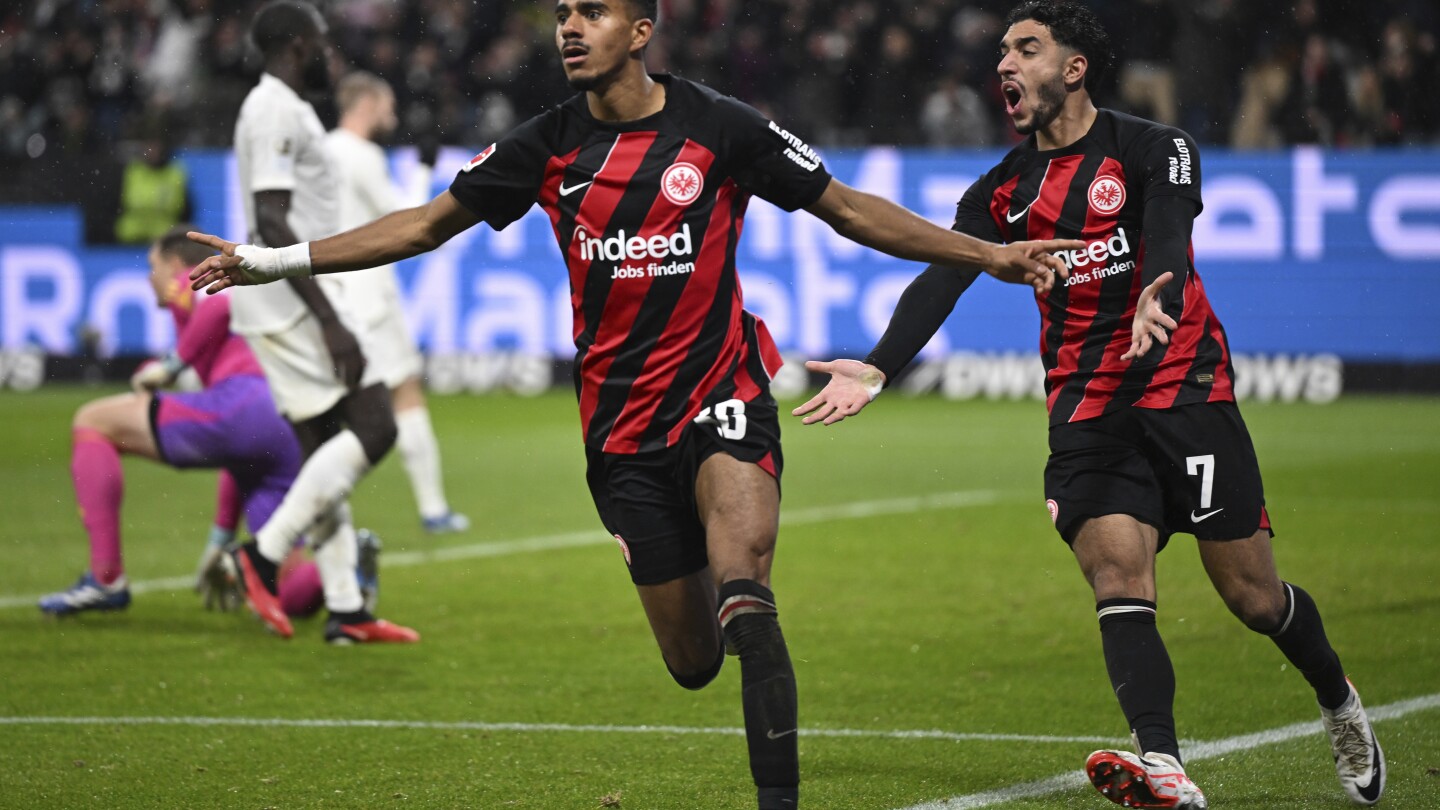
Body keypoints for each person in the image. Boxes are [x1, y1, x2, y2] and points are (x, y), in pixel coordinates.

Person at [187, 0, 1078, 805]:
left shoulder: (720, 125)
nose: (570, 28)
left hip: (722, 393)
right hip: (619, 432)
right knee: (693, 663)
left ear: (641, 32)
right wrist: (272, 259)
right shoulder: (546, 143)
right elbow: (422, 225)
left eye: (594, 12)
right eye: (565, 13)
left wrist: (986, 253)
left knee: (747, 592)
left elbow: (846, 209)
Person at [793, 3, 1385, 809]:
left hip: (1185, 388)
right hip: (1086, 406)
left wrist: (1156, 293)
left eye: (1026, 48)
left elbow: (1170, 233)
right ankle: (1166, 766)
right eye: (1001, 50)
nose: (1004, 63)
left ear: (1073, 68)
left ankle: (1338, 700)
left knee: (1253, 596)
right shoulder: (1001, 191)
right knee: (1117, 573)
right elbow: (943, 275)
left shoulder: (1154, 148)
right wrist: (878, 364)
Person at [224, 0, 416, 644]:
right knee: (376, 423)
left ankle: (345, 609)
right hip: (291, 303)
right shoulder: (273, 108)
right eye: (326, 44)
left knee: (325, 450)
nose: (333, 58)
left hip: (284, 300)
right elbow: (272, 220)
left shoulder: (286, 108)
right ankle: (264, 553)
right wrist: (331, 320)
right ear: (301, 44)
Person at [38, 226, 302, 617]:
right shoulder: (237, 316)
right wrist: (220, 538)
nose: (150, 277)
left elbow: (218, 304)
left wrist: (171, 364)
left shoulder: (195, 279)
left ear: (177, 264)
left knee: (92, 421)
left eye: (153, 265)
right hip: (280, 426)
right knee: (286, 580)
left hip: (243, 403)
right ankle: (348, 586)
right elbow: (238, 454)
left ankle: (106, 577)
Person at [323, 71, 469, 534]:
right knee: (403, 394)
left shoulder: (320, 150)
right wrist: (425, 168)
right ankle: (432, 509)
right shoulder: (362, 154)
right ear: (365, 104)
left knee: (336, 408)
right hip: (369, 293)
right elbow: (406, 217)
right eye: (387, 105)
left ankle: (314, 505)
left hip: (327, 293)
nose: (393, 115)